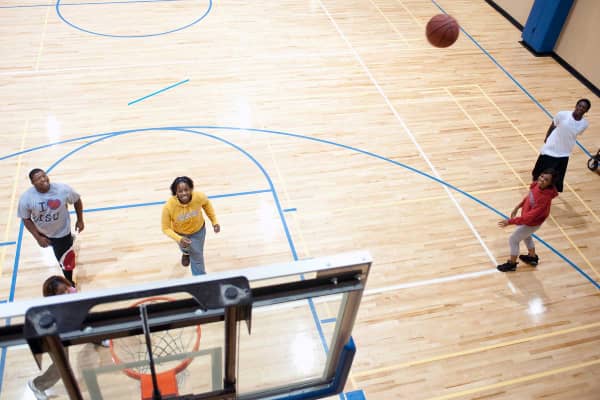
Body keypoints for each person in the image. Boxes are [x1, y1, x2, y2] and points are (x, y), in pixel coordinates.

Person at [27, 276, 107, 399]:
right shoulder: (53, 312)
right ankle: (37, 385)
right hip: (50, 336)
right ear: (53, 298)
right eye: (61, 292)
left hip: (64, 326)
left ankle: (98, 339)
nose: (67, 292)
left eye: (66, 288)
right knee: (60, 367)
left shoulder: (70, 294)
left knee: (85, 322)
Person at [18, 169, 84, 285]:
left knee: (65, 261)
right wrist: (38, 237)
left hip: (62, 233)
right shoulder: (26, 198)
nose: (43, 179)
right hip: (43, 233)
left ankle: (69, 283)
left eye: (44, 176)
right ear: (32, 183)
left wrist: (80, 220)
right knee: (59, 253)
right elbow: (26, 219)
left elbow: (77, 200)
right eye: (38, 178)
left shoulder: (62, 189)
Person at [497, 169, 558, 272]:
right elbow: (529, 197)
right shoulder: (536, 185)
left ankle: (512, 264)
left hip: (531, 223)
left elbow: (529, 218)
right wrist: (518, 207)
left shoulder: (544, 198)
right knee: (526, 236)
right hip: (528, 220)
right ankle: (532, 257)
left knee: (513, 239)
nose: (542, 179)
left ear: (550, 183)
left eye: (546, 179)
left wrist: (510, 222)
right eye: (542, 176)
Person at [161, 176, 220, 275]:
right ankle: (185, 253)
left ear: (191, 189)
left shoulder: (199, 196)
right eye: (180, 191)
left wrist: (214, 221)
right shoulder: (169, 206)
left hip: (198, 232)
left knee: (197, 258)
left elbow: (207, 204)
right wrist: (179, 238)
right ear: (175, 192)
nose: (184, 193)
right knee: (184, 248)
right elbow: (165, 228)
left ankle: (200, 280)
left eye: (186, 190)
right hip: (180, 234)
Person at [531, 98, 591, 192]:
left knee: (556, 178)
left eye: (584, 107)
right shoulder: (562, 114)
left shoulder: (584, 124)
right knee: (539, 172)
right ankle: (534, 190)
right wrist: (547, 137)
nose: (581, 108)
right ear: (576, 105)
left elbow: (574, 135)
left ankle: (547, 193)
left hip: (564, 153)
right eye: (579, 105)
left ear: (586, 111)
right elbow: (553, 125)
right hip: (551, 149)